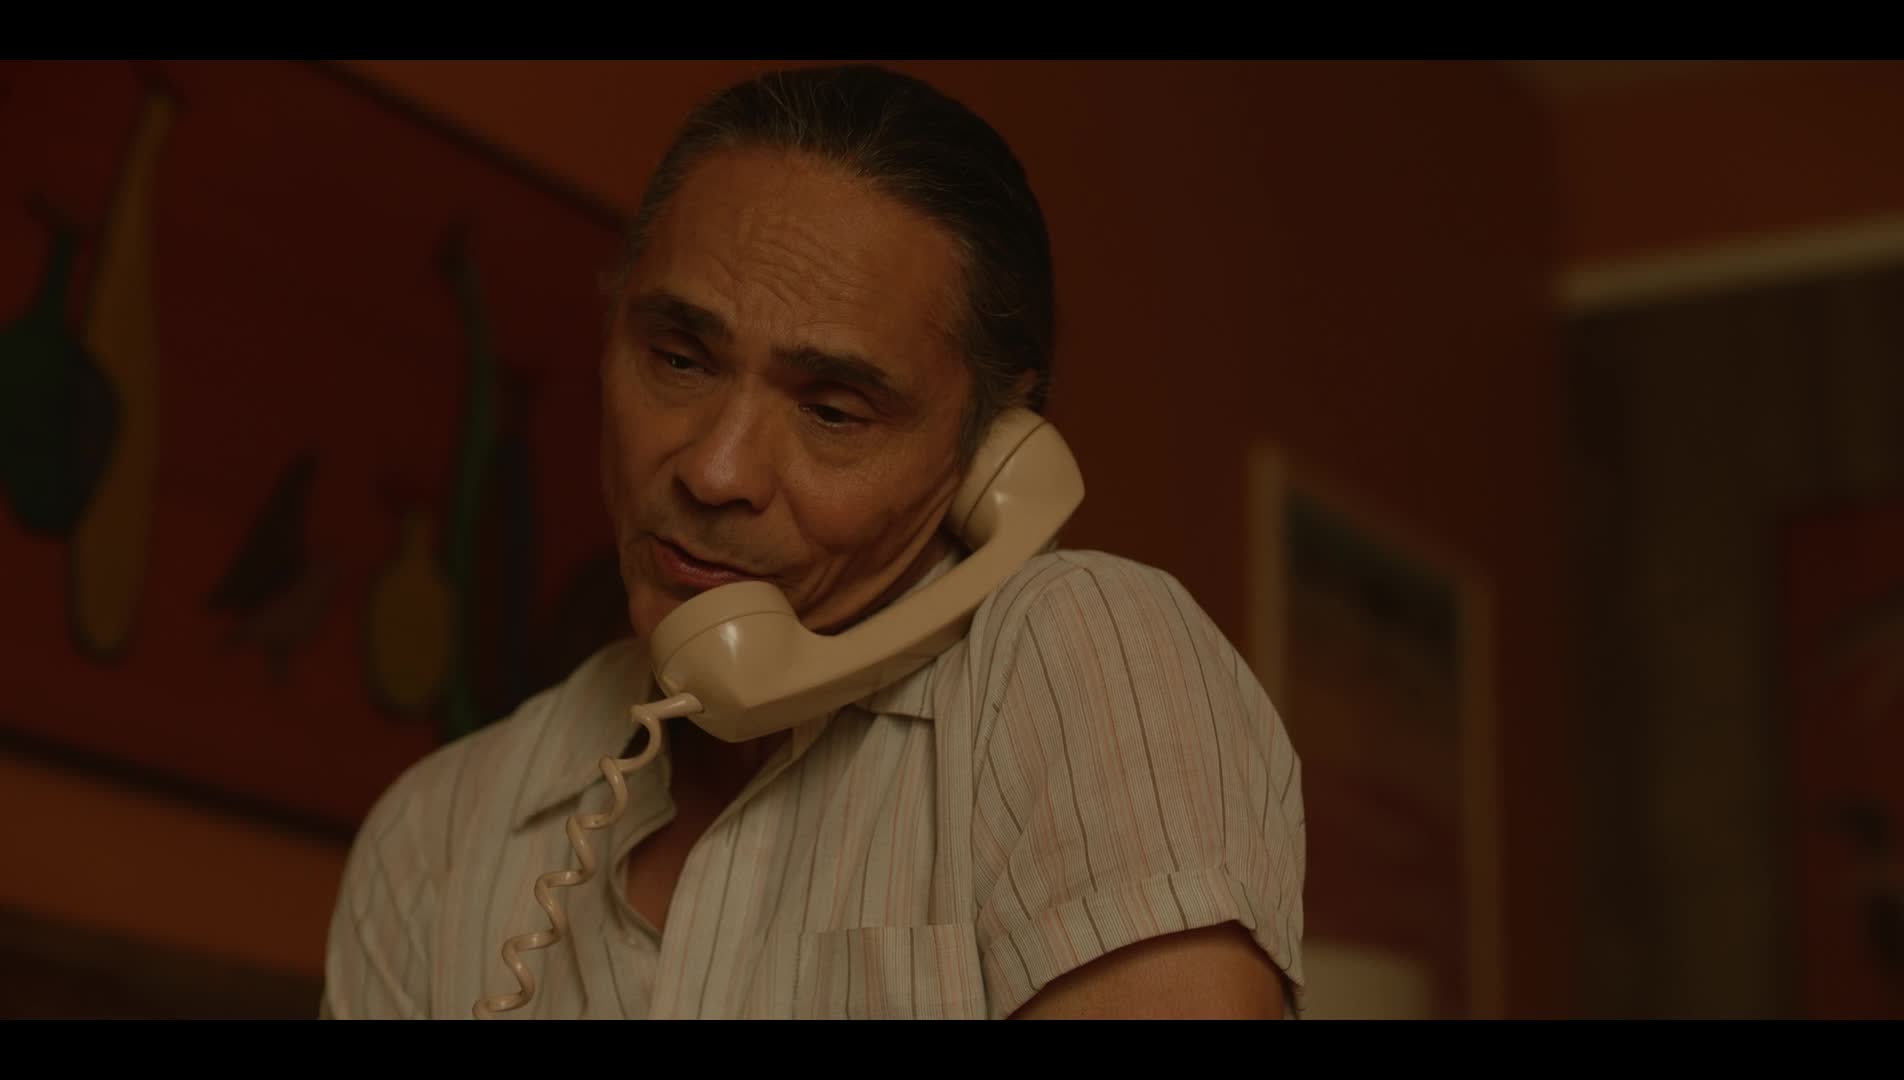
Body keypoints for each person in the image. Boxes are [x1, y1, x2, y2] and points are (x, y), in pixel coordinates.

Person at [320, 63, 1305, 1020]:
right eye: (679, 358)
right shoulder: (432, 840)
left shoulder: (1088, 661)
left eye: (833, 411)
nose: (714, 471)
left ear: (995, 454)